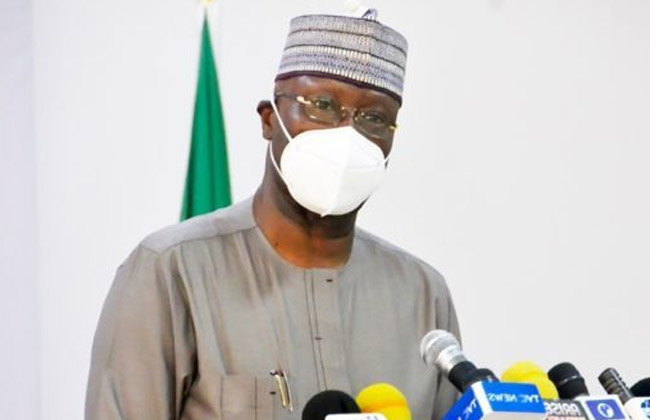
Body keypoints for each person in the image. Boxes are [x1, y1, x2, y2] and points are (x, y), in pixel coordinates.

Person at [86, 8, 461, 420]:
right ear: (270, 119)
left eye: (374, 118)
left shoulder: (422, 295)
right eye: (322, 105)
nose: (347, 134)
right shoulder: (173, 271)